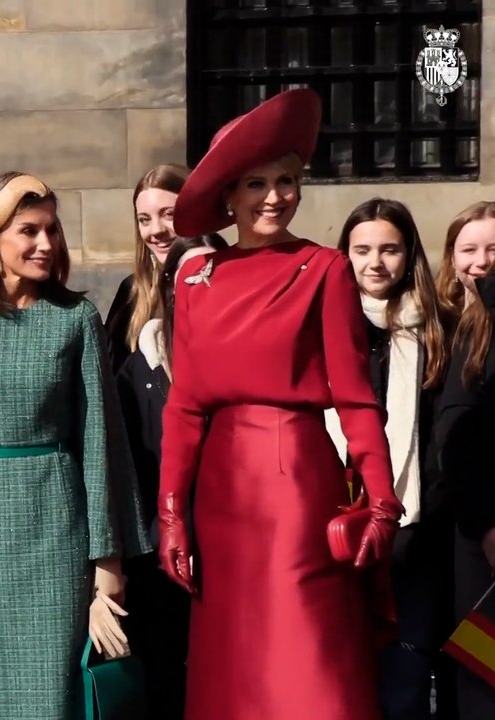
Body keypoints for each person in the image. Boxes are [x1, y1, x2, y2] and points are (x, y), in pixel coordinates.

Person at [159, 88, 402, 720]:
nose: (275, 197)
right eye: (257, 183)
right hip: (218, 495)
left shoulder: (324, 269)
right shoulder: (194, 278)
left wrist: (381, 500)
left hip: (296, 487)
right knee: (231, 663)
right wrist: (171, 515)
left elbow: (354, 398)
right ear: (228, 198)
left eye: (288, 181)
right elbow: (183, 407)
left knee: (302, 654)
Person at [0, 171, 149, 719]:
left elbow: (101, 442)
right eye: (29, 231)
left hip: (54, 529)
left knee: (52, 691)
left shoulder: (76, 319)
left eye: (52, 230)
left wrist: (107, 565)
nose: (46, 243)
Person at [330, 198, 455, 720]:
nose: (375, 263)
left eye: (389, 249)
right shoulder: (322, 328)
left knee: (407, 671)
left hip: (414, 532)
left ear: (410, 255)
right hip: (337, 524)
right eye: (361, 250)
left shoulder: (439, 327)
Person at [114, 232, 226, 720]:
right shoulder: (139, 371)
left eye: (215, 275)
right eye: (190, 278)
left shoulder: (256, 361)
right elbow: (128, 472)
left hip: (238, 556)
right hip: (162, 561)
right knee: (165, 684)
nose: (203, 288)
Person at [434, 201, 495, 720]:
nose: (480, 261)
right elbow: (456, 436)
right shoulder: (451, 327)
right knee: (483, 675)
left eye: (493, 248)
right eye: (468, 249)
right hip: (479, 538)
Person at [102, 164, 189, 372]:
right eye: (144, 220)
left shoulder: (227, 281)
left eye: (169, 214)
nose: (156, 230)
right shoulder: (132, 291)